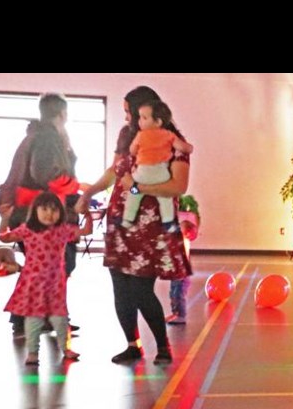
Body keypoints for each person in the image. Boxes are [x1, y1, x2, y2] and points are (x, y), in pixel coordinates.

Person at [76, 86, 192, 365]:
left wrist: (137, 189)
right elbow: (113, 172)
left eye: (132, 112)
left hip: (150, 226)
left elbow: (178, 186)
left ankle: (163, 347)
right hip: (122, 221)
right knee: (120, 285)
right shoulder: (131, 138)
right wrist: (89, 193)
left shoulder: (173, 144)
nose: (129, 117)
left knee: (141, 289)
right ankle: (133, 344)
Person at [0, 93, 80, 336]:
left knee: (42, 267)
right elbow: (45, 174)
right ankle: (34, 317)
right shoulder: (47, 137)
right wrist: (74, 186)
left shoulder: (39, 135)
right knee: (55, 265)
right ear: (62, 114)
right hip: (40, 213)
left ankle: (39, 316)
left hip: (31, 211)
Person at [0, 192, 93, 365]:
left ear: (61, 212)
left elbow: (86, 231)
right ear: (35, 211)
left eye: (54, 210)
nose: (49, 214)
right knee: (34, 319)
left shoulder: (62, 230)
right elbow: (5, 236)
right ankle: (33, 352)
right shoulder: (27, 229)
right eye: (44, 209)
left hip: (56, 282)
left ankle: (65, 348)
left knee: (60, 318)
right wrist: (5, 219)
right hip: (33, 282)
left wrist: (87, 215)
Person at [124, 100, 194, 231]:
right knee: (165, 198)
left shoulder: (140, 135)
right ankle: (168, 222)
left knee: (134, 195)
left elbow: (132, 150)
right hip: (161, 173)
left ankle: (127, 219)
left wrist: (137, 150)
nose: (140, 121)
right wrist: (190, 148)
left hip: (143, 173)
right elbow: (184, 147)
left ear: (158, 121)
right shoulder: (168, 135)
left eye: (144, 118)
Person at [168, 204, 200, 325]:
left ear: (186, 233)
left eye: (181, 228)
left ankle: (181, 315)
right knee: (172, 294)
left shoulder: (184, 242)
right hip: (176, 272)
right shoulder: (179, 240)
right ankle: (175, 313)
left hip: (181, 274)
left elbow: (181, 258)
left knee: (178, 295)